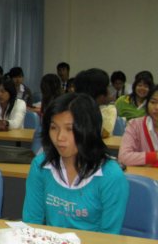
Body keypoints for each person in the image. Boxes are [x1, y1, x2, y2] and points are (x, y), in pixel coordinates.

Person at [22, 94, 129, 234]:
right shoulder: (41, 165)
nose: (59, 137)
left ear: (89, 130)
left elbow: (109, 236)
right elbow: (31, 222)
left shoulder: (110, 175)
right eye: (54, 128)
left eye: (70, 129)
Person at [118, 84, 158, 167]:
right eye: (153, 102)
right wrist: (155, 156)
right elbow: (123, 157)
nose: (156, 107)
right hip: (144, 175)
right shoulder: (135, 125)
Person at [74, 68, 117, 138]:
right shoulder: (106, 112)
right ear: (99, 92)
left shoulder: (73, 109)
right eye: (107, 87)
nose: (109, 91)